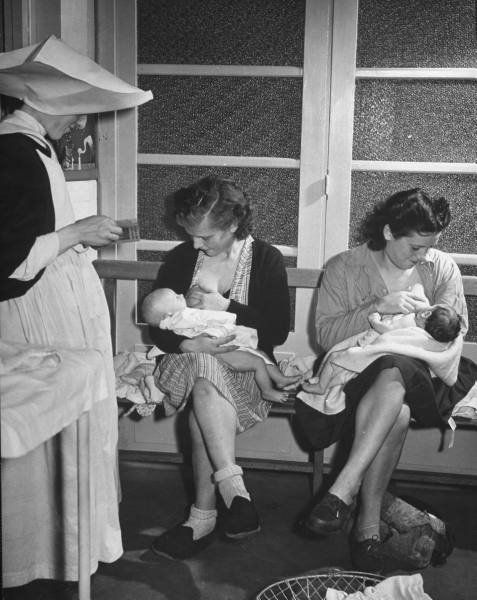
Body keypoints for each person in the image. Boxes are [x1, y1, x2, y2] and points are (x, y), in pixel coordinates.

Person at [0, 35, 152, 590]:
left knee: (77, 422)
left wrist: (78, 237)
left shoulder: (34, 147)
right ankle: (46, 551)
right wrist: (77, 233)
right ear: (48, 103)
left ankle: (77, 543)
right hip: (38, 308)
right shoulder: (15, 150)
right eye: (75, 110)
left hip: (58, 297)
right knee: (54, 426)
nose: (80, 122)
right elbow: (10, 260)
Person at [295, 188, 477, 574]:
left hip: (425, 379)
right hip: (361, 377)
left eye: (429, 247)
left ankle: (343, 488)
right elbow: (327, 336)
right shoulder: (345, 267)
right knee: (395, 405)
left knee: (396, 364)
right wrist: (377, 307)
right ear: (390, 232)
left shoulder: (441, 269)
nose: (423, 256)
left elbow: (453, 332)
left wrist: (424, 324)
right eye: (415, 247)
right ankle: (367, 534)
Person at [147, 175, 291, 559]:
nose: (195, 244)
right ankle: (234, 489)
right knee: (201, 369)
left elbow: (276, 330)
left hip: (245, 368)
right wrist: (188, 341)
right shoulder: (182, 259)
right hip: (188, 363)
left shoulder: (265, 259)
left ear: (232, 225)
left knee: (204, 388)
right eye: (191, 235)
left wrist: (226, 307)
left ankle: (203, 517)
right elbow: (157, 326)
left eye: (205, 237)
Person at [142, 287, 300, 403]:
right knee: (258, 360)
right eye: (177, 297)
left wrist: (226, 306)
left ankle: (279, 379)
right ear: (168, 314)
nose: (181, 294)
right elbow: (210, 318)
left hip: (221, 345)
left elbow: (276, 331)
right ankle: (267, 390)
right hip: (218, 350)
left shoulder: (175, 318)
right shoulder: (183, 316)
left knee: (259, 355)